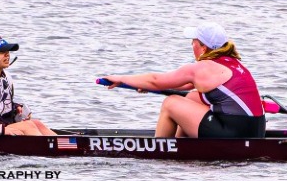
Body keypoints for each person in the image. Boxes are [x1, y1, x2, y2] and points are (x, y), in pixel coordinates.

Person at [100, 24, 268, 139]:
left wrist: (121, 78)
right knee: (192, 98)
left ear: (203, 48)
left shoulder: (201, 68)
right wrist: (142, 84)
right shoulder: (232, 63)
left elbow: (156, 80)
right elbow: (178, 85)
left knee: (171, 103)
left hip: (235, 133)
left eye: (194, 41)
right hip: (255, 129)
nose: (191, 44)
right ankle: (182, 145)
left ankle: (161, 152)